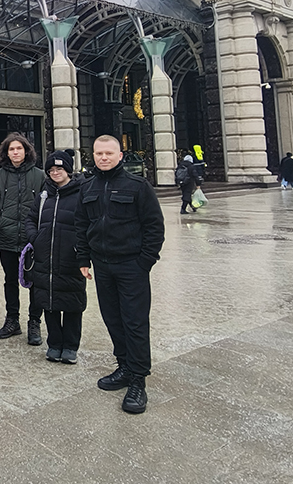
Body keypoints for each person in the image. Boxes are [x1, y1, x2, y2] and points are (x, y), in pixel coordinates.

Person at [75, 135, 164, 415]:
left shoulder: (138, 186)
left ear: (120, 155)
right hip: (102, 265)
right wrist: (83, 258)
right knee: (113, 319)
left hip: (131, 266)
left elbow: (154, 226)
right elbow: (81, 224)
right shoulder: (87, 186)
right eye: (99, 153)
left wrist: (144, 262)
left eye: (109, 153)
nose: (103, 157)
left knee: (134, 322)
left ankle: (138, 379)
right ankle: (124, 366)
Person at [0, 132, 46, 343]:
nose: (16, 152)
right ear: (6, 153)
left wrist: (39, 229)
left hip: (32, 238)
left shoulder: (40, 176)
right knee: (10, 281)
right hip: (8, 237)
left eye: (19, 148)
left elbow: (47, 204)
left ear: (26, 151)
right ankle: (12, 320)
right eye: (12, 149)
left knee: (35, 281)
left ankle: (34, 322)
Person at [26, 150, 86, 364]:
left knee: (72, 302)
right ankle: (54, 343)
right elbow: (31, 218)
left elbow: (88, 223)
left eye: (59, 168)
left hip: (70, 257)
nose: (55, 172)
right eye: (51, 169)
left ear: (68, 170)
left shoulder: (80, 193)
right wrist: (35, 238)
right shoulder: (44, 195)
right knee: (48, 301)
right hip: (45, 257)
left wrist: (80, 248)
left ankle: (70, 346)